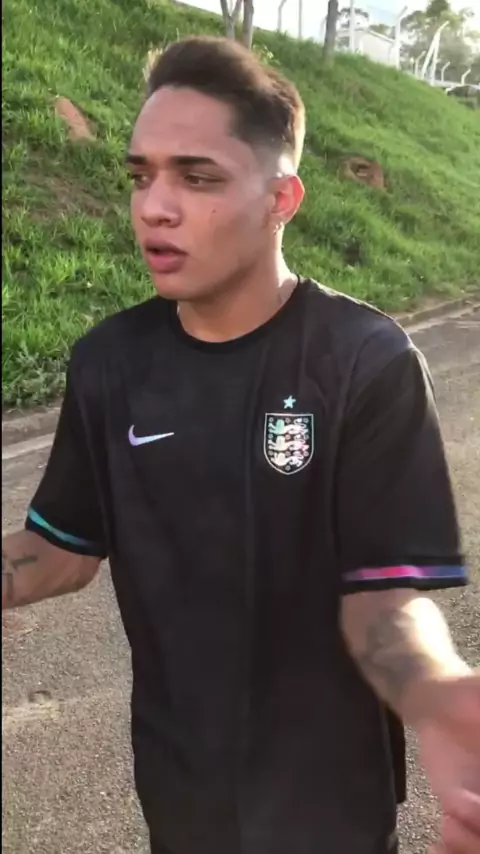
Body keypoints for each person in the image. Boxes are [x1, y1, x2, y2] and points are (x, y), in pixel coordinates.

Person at [2, 36, 479, 854]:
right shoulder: (110, 362)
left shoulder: (364, 361)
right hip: (178, 789)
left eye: (198, 178)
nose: (155, 207)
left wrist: (437, 697)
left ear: (280, 198)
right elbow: (63, 548)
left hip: (328, 806)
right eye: (141, 175)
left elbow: (383, 599)